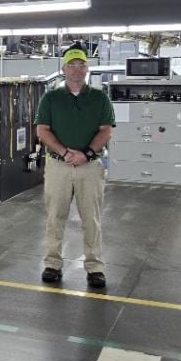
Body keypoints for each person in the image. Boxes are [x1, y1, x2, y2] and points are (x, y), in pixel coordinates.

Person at [34, 44, 115, 289]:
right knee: (55, 216)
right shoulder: (51, 98)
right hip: (59, 166)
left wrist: (86, 153)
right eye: (72, 65)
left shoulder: (99, 98)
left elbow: (105, 130)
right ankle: (52, 263)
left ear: (87, 69)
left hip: (90, 167)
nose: (77, 70)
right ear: (63, 68)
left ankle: (95, 267)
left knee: (91, 218)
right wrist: (65, 152)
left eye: (81, 65)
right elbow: (42, 130)